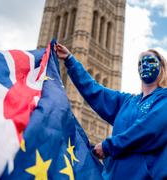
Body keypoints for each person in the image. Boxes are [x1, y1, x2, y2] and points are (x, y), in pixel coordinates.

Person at [55, 43, 167, 180]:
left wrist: (108, 146)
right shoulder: (127, 101)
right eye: (141, 63)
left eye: (150, 61)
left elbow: (149, 130)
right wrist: (70, 60)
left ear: (161, 67)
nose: (145, 65)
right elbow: (95, 91)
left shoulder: (164, 98)